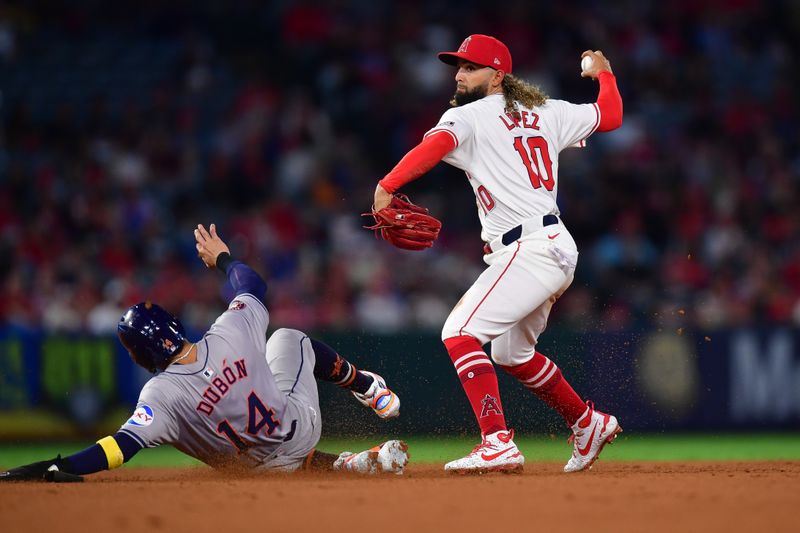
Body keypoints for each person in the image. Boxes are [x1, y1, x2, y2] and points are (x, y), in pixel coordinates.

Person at [371, 34, 623, 473]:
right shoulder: (549, 111)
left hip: (529, 250)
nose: (460, 73)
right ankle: (588, 422)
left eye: (470, 67)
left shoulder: (468, 116)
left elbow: (433, 148)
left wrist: (387, 186)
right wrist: (604, 72)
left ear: (497, 76)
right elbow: (611, 115)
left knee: (459, 333)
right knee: (512, 355)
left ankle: (497, 441)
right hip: (553, 246)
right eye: (459, 66)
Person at [0, 224, 407, 481]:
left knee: (265, 447)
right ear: (174, 325)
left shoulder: (160, 396)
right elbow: (252, 284)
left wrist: (62, 465)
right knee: (288, 339)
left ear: (140, 356)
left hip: (258, 473)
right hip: (298, 432)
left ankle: (340, 459)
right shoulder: (230, 329)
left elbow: (119, 448)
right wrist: (223, 258)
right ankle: (367, 386)